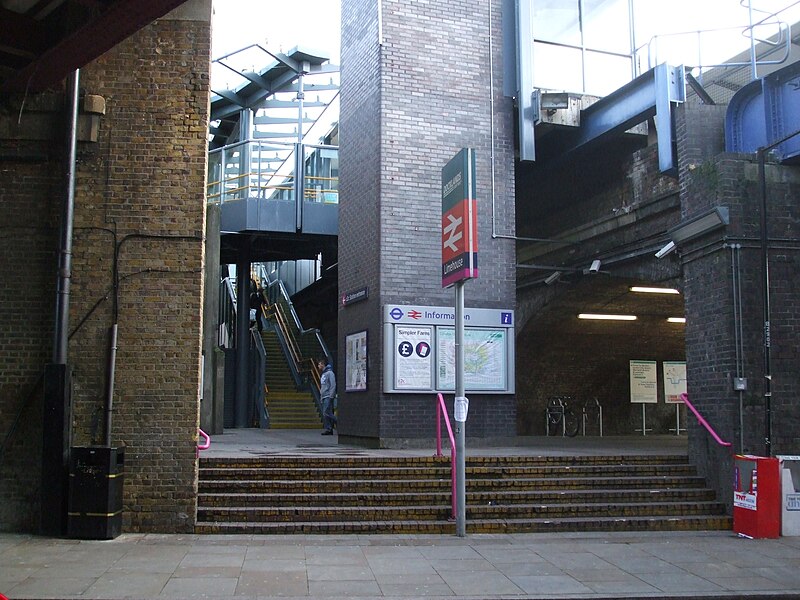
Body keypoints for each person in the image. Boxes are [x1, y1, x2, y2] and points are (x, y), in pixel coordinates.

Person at [318, 358, 337, 435]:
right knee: (326, 412)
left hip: (328, 396)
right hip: (324, 396)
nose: (318, 366)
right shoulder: (324, 373)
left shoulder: (330, 373)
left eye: (319, 364)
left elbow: (333, 384)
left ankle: (339, 423)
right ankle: (329, 428)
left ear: (323, 364)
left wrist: (331, 395)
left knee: (326, 412)